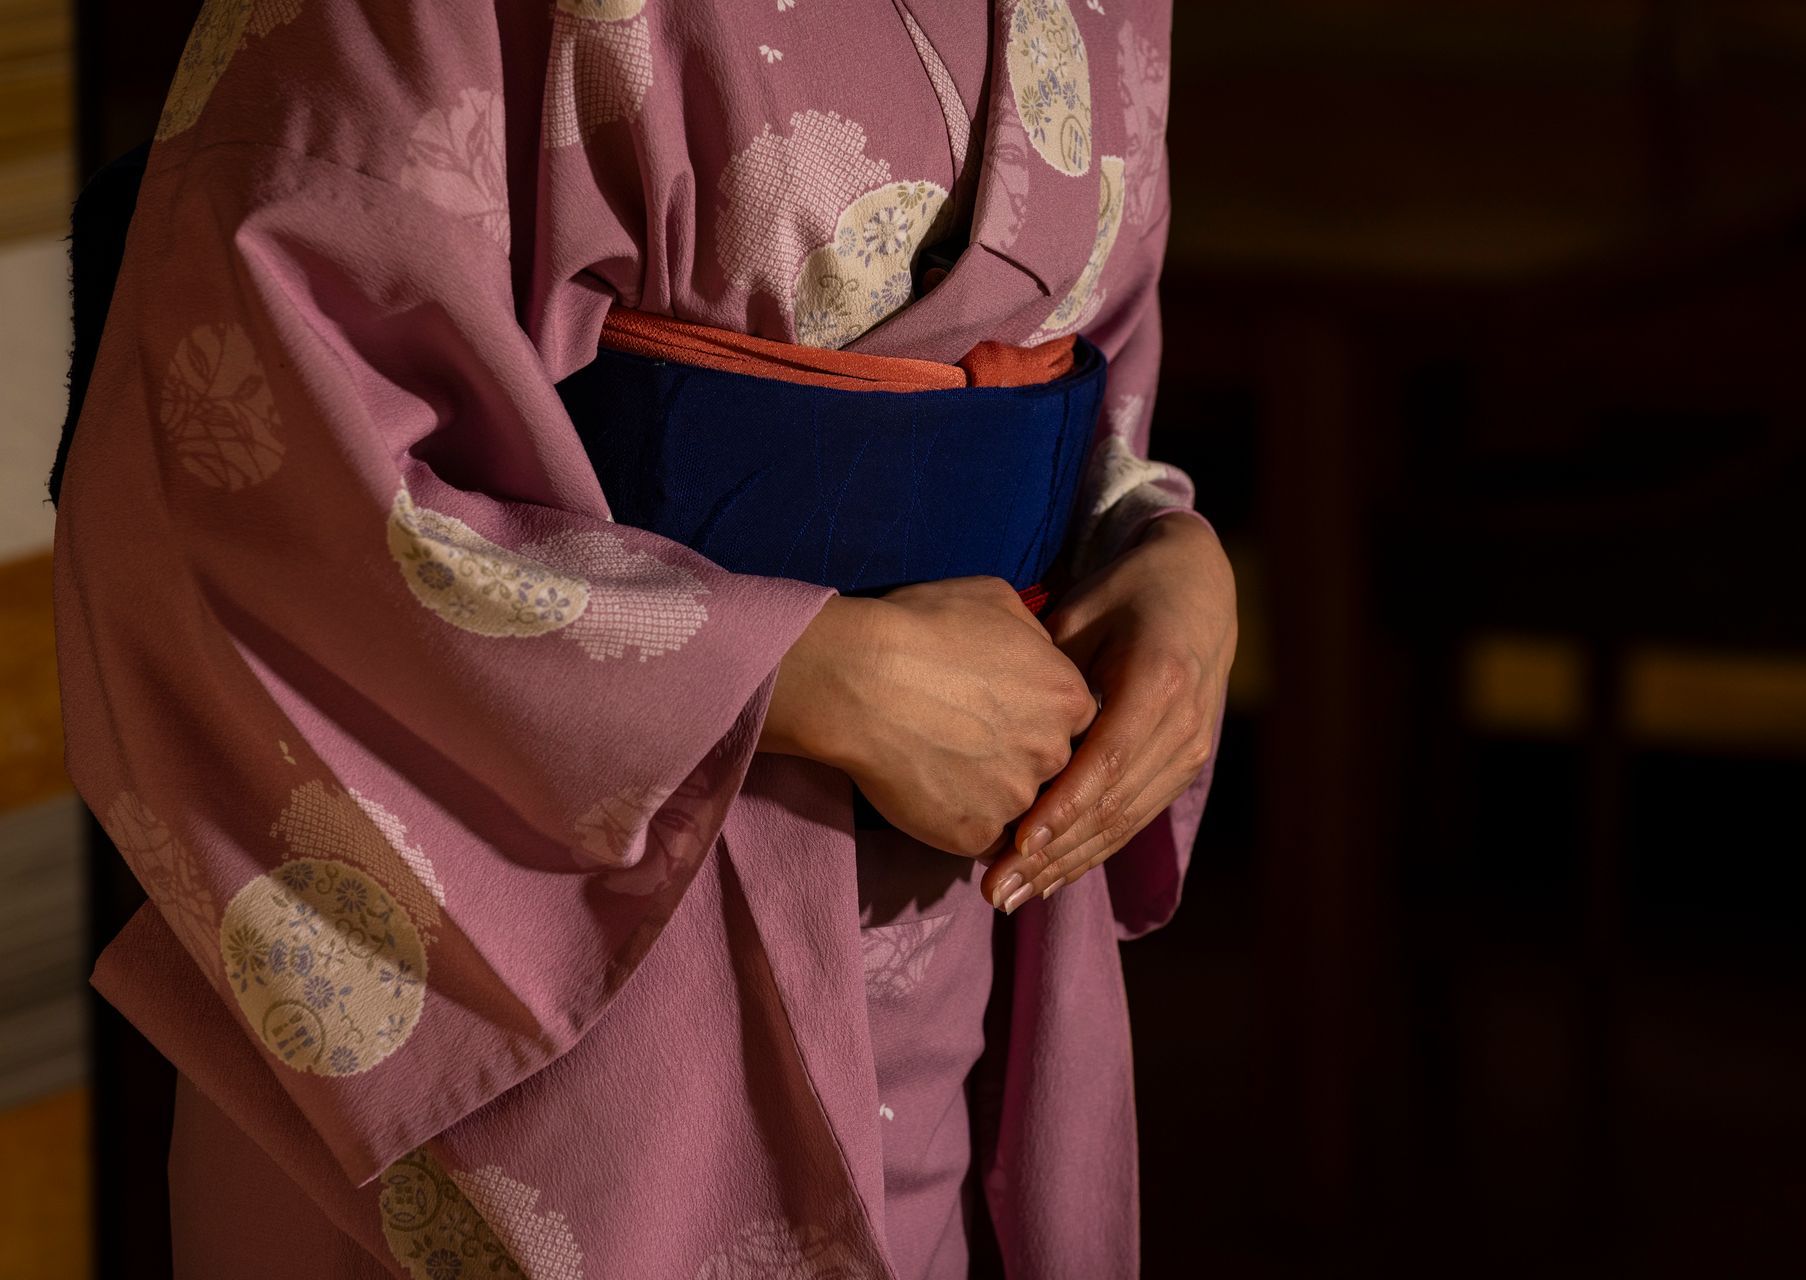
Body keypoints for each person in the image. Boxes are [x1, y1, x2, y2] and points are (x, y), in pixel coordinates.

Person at [51, 2, 1236, 1276]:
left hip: (947, 909)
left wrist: (1158, 548)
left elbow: (1081, 364)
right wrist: (794, 669)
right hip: (554, 939)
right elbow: (249, 468)